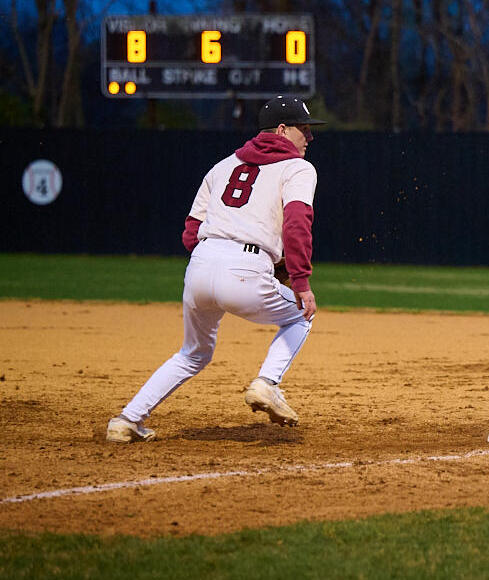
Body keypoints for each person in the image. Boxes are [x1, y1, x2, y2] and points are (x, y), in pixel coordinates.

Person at [106, 95, 325, 442]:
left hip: (200, 266)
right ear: (282, 131)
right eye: (305, 129)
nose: (309, 138)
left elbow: (192, 230)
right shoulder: (298, 168)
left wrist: (215, 258)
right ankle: (267, 383)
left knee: (192, 353)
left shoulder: (222, 166)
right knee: (301, 314)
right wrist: (300, 280)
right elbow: (298, 222)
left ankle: (126, 421)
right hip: (246, 268)